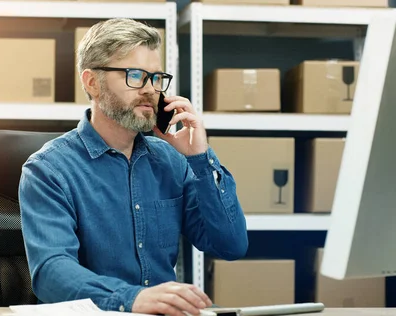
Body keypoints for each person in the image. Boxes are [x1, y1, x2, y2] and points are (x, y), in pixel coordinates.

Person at [19, 18, 248, 316]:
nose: (151, 90)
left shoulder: (171, 162)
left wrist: (200, 159)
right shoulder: (48, 169)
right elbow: (51, 272)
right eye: (136, 75)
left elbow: (230, 246)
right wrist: (132, 299)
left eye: (156, 78)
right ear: (92, 82)